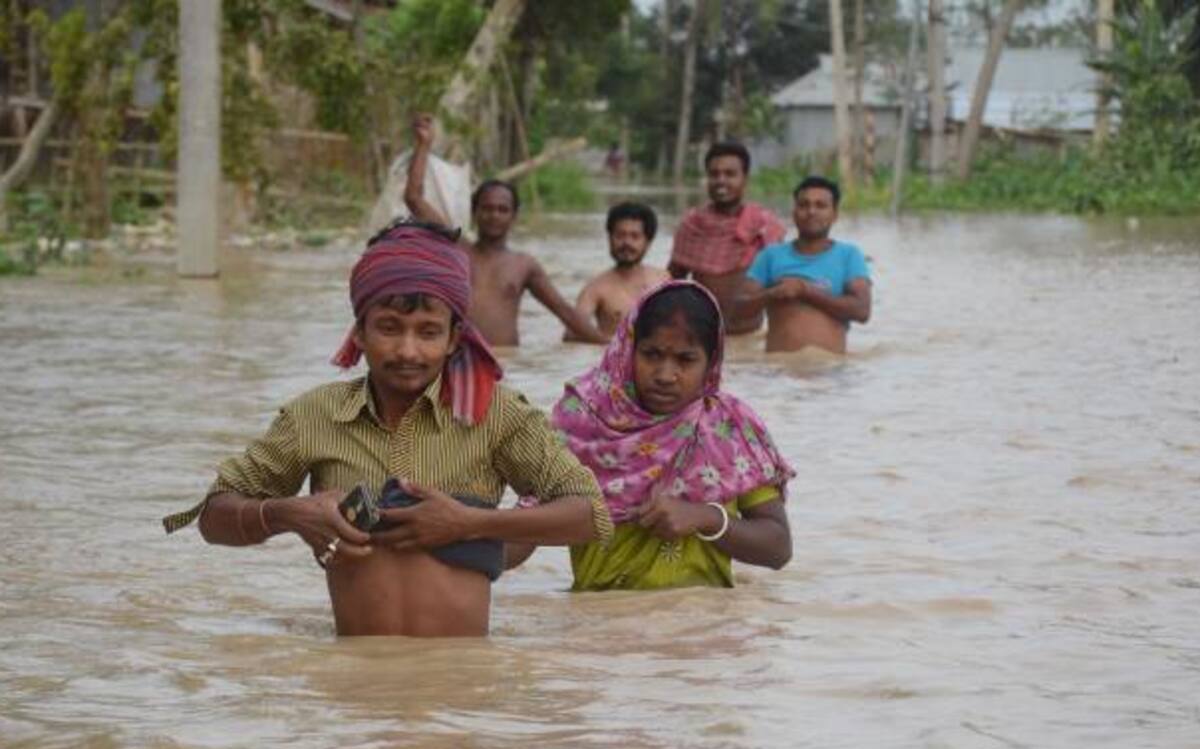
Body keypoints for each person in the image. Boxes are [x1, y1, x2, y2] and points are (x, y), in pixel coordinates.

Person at [163, 221, 612, 638]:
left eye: (428, 332)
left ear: (455, 337)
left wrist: (470, 523)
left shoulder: (496, 413)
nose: (407, 350)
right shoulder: (314, 416)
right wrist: (290, 514)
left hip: (464, 698)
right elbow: (213, 516)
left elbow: (592, 515)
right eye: (389, 329)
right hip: (354, 694)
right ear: (359, 331)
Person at [509, 281, 794, 590]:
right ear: (627, 350)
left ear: (711, 363)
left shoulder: (728, 428)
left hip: (705, 627)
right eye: (651, 354)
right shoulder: (583, 425)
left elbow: (777, 548)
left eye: (685, 360)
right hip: (597, 627)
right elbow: (522, 535)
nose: (665, 375)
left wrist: (705, 518)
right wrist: (466, 528)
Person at [404, 113, 607, 347]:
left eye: (502, 209)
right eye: (487, 208)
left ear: (514, 216)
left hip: (506, 366)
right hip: (459, 359)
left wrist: (610, 346)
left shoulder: (524, 265)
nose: (494, 216)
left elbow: (565, 312)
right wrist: (423, 145)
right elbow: (414, 198)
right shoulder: (455, 247)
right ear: (475, 212)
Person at [739, 176, 872, 353]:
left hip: (831, 373)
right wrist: (772, 294)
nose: (811, 211)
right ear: (794, 212)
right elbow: (738, 309)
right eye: (804, 205)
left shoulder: (849, 255)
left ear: (835, 215)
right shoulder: (770, 255)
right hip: (777, 374)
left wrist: (805, 291)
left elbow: (862, 311)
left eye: (820, 206)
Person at [668, 141, 787, 335]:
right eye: (714, 174)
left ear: (745, 179)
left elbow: (782, 285)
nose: (721, 180)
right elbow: (672, 282)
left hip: (749, 336)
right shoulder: (692, 225)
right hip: (703, 335)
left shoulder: (764, 227)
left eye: (730, 174)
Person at [568, 202, 669, 340]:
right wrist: (613, 344)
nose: (626, 243)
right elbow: (571, 334)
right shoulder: (595, 289)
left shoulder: (663, 280)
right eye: (620, 235)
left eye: (635, 236)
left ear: (648, 242)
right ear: (609, 238)